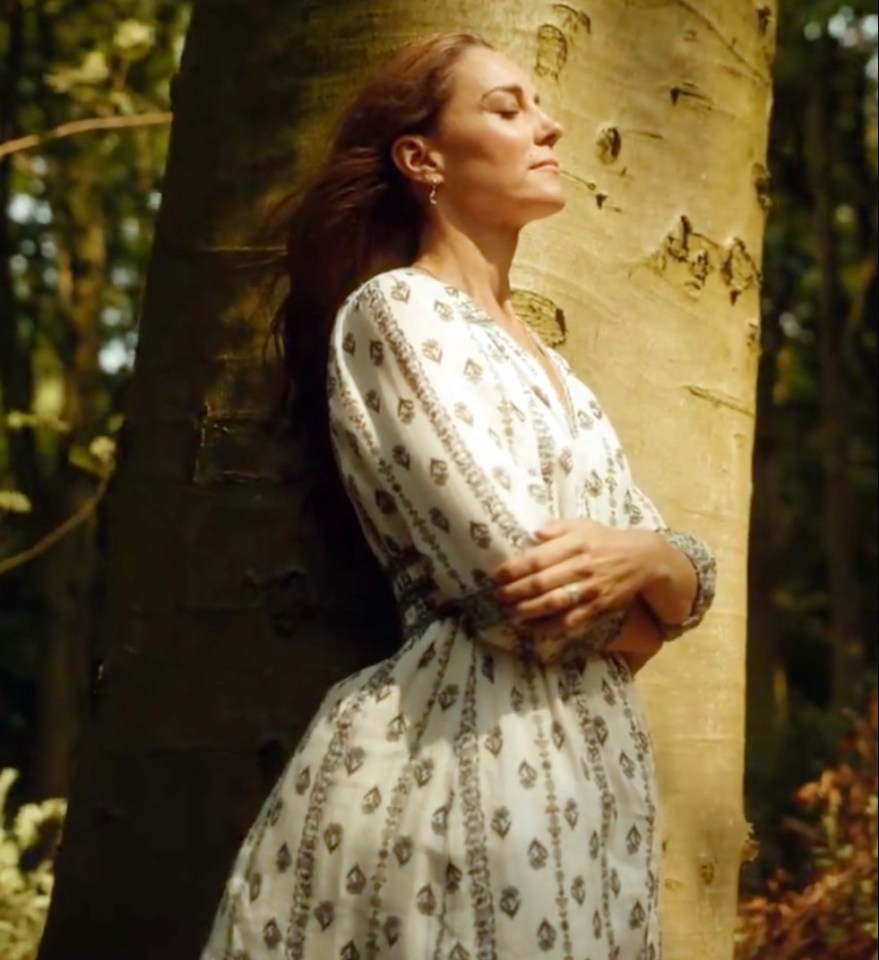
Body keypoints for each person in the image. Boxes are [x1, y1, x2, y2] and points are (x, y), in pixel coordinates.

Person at [201, 31, 716, 960]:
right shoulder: (396, 314)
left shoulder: (560, 372)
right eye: (506, 108)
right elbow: (525, 600)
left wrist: (653, 560)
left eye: (540, 107)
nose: (548, 127)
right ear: (421, 158)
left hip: (595, 786)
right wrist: (659, 592)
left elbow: (672, 572)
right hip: (473, 770)